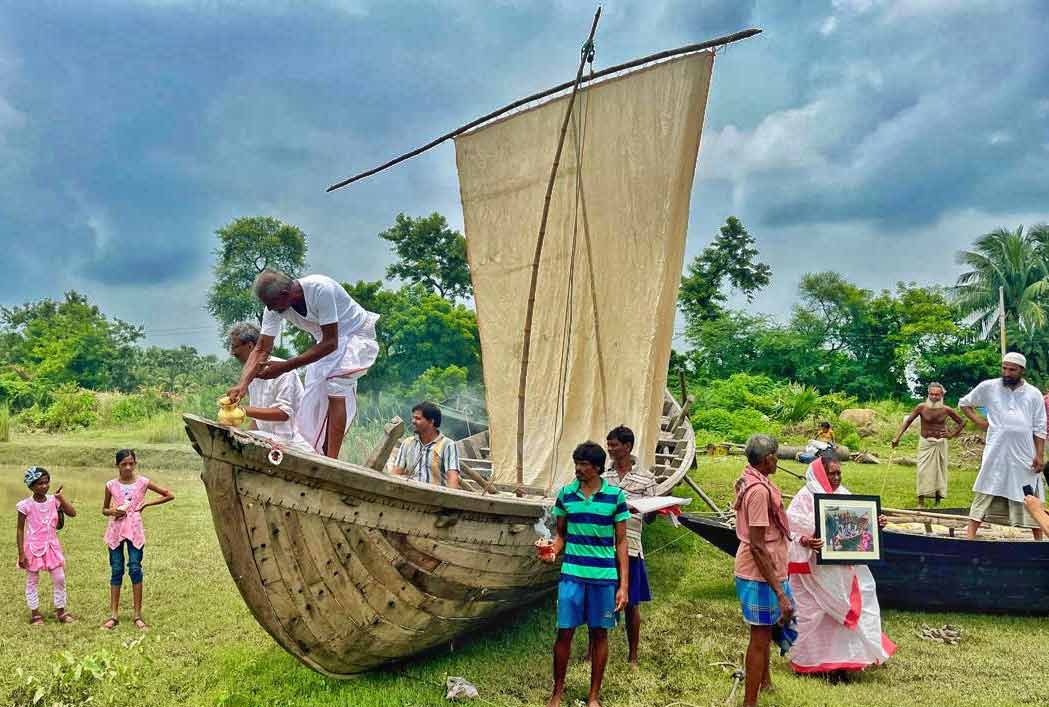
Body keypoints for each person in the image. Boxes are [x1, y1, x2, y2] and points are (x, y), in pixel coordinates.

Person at [226, 270, 379, 459]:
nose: (271, 310)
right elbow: (261, 349)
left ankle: (332, 460)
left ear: (285, 295)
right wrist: (242, 386)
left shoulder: (320, 289)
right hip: (325, 342)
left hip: (354, 335)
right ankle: (321, 454)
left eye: (272, 304)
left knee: (335, 386)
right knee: (315, 403)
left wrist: (284, 367)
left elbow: (331, 342)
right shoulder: (273, 308)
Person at [786, 451, 896, 676]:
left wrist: (876, 523)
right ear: (820, 473)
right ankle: (811, 662)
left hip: (844, 569)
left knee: (854, 606)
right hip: (814, 572)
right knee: (815, 614)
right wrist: (807, 541)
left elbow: (856, 525)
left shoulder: (844, 494)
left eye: (839, 473)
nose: (836, 478)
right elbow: (791, 531)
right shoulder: (805, 496)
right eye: (831, 473)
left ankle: (842, 665)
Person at [540, 442, 629, 707]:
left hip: (604, 577)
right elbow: (562, 536)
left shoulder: (615, 497)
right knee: (564, 632)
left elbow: (621, 542)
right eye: (576, 463)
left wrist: (623, 585)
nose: (578, 469)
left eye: (584, 465)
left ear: (598, 468)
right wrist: (552, 551)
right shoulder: (566, 495)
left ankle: (593, 696)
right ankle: (557, 692)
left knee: (599, 634)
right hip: (572, 575)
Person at [733, 434, 794, 707]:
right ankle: (750, 702)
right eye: (776, 456)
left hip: (768, 568)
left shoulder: (755, 479)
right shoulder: (758, 491)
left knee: (766, 629)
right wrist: (780, 592)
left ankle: (765, 680)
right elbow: (758, 547)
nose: (778, 460)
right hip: (758, 572)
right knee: (759, 636)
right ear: (768, 458)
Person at [959, 352, 1046, 540]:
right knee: (987, 488)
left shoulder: (1033, 394)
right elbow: (964, 403)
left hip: (1024, 453)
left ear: (1021, 371)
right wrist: (980, 422)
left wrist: (1040, 455)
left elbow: (1040, 427)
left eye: (1012, 370)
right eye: (1004, 368)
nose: (1007, 373)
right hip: (996, 452)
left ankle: (1039, 541)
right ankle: (969, 538)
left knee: (1029, 494)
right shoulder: (989, 387)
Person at [601, 424, 656, 669]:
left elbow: (652, 517)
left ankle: (633, 655)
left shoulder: (646, 477)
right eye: (609, 445)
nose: (610, 450)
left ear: (628, 447)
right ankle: (594, 651)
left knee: (631, 603)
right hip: (603, 546)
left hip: (632, 545)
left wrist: (649, 508)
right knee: (600, 599)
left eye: (614, 445)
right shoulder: (603, 477)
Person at [101, 449, 175, 630]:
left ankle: (137, 615)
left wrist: (147, 503)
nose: (127, 467)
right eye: (123, 464)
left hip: (134, 531)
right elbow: (104, 509)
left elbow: (169, 495)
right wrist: (113, 511)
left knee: (135, 568)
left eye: (131, 463)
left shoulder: (143, 482)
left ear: (135, 463)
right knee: (116, 569)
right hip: (116, 531)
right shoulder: (111, 485)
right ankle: (113, 615)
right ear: (117, 465)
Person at [227, 322, 315, 454]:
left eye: (234, 347)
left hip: (289, 444)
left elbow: (283, 414)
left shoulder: (283, 370)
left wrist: (242, 410)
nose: (232, 353)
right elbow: (258, 421)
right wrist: (244, 435)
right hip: (266, 440)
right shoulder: (249, 376)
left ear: (250, 346)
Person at [16, 467, 76, 625]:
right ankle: (35, 614)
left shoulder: (53, 501)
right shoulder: (25, 505)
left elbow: (72, 513)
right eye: (39, 483)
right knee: (32, 580)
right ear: (31, 486)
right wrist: (21, 554)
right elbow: (20, 529)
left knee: (59, 578)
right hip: (33, 548)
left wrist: (61, 498)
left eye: (46, 482)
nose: (44, 486)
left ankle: (61, 611)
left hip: (51, 547)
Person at [891, 382, 965, 507]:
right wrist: (897, 437)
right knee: (922, 471)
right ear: (928, 394)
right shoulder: (921, 407)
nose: (934, 397)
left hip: (940, 443)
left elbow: (962, 422)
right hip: (925, 442)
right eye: (932, 394)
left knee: (939, 471)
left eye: (937, 395)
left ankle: (938, 500)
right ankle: (921, 501)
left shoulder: (947, 409)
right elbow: (908, 422)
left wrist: (951, 435)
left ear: (942, 395)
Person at [391, 401, 461, 489]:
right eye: (413, 418)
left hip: (435, 498)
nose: (413, 421)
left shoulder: (448, 445)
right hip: (408, 494)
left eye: (418, 418)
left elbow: (452, 480)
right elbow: (395, 473)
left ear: (431, 421)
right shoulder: (407, 443)